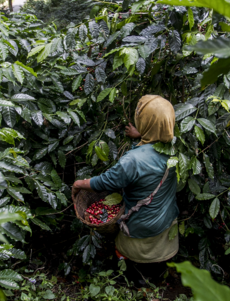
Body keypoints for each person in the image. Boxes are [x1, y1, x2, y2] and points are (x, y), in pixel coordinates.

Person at [72, 95, 179, 284]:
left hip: (140, 227)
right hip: (166, 221)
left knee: (123, 250)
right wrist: (141, 136)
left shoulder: (132, 160)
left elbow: (106, 182)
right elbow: (152, 155)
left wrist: (79, 184)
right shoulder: (175, 147)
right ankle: (159, 270)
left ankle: (129, 274)